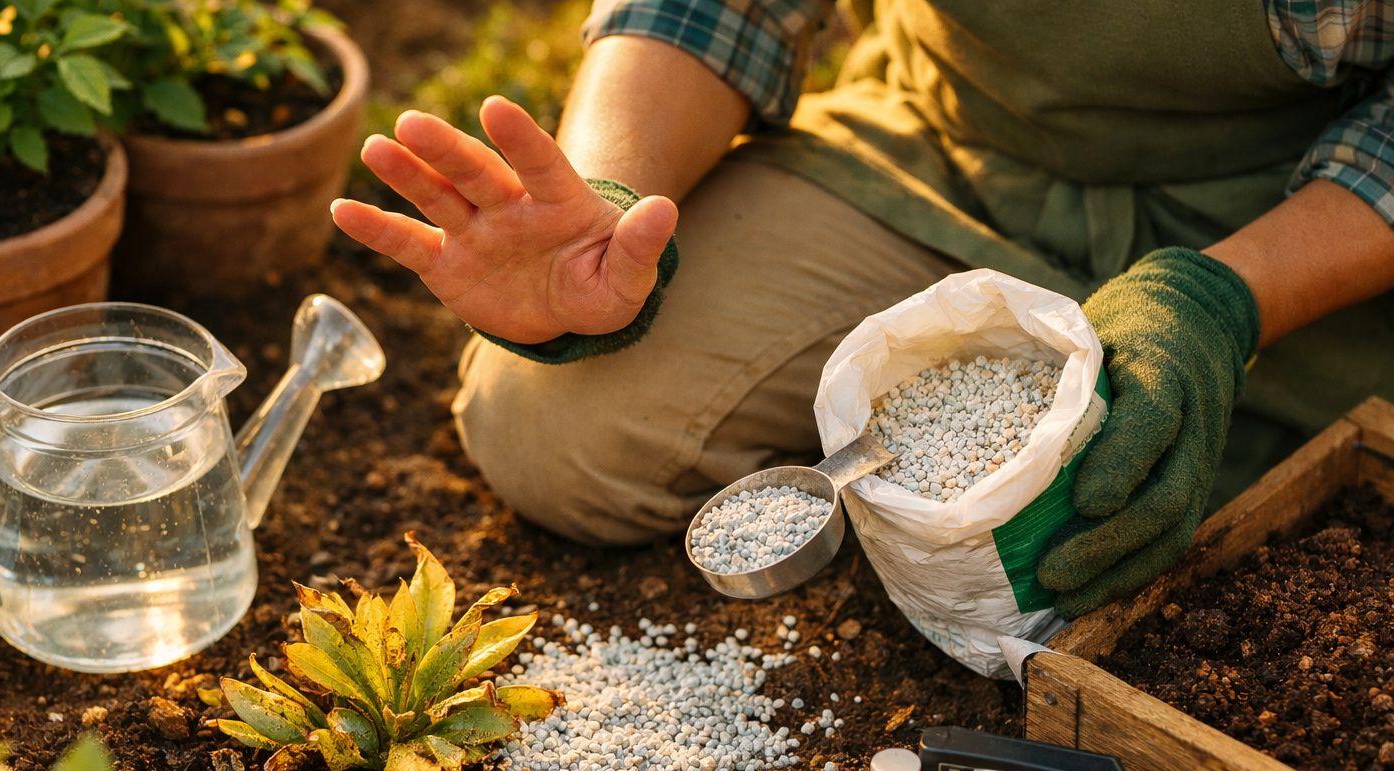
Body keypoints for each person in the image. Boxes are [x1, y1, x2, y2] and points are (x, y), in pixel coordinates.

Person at [331, 1, 1394, 618]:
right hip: (954, 145)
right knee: (555, 429)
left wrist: (1218, 298)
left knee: (1188, 533)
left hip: (1289, 210)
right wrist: (609, 216)